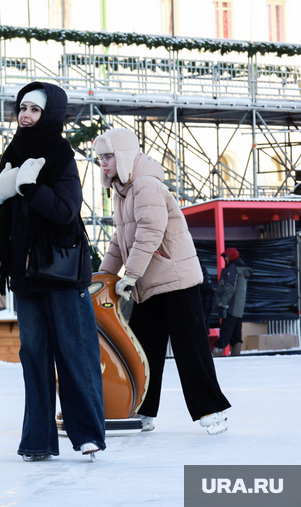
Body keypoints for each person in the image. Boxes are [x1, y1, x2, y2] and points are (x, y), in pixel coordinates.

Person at [0, 82, 105, 462]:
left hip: (60, 271)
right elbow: (10, 215)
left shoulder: (59, 154)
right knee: (33, 355)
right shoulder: (13, 153)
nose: (26, 115)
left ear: (50, 114)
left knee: (75, 352)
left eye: (35, 110)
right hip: (24, 272)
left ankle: (86, 434)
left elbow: (66, 211)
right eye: (22, 108)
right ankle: (37, 439)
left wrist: (31, 188)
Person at [95, 127, 231, 435]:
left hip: (176, 279)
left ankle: (210, 410)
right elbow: (120, 240)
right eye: (100, 158)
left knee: (190, 348)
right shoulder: (122, 190)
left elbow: (149, 234)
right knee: (144, 350)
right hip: (148, 283)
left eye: (108, 157)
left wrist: (129, 276)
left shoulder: (145, 185)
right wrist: (104, 277)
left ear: (124, 156)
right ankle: (144, 412)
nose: (102, 164)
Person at [213, 247, 252, 357]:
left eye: (226, 256)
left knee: (225, 331)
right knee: (236, 334)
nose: (225, 259)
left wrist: (223, 305)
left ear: (231, 256)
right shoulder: (241, 269)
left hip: (231, 306)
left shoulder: (232, 269)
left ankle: (216, 355)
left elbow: (229, 288)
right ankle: (236, 355)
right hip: (238, 308)